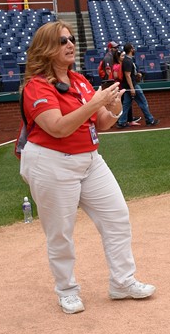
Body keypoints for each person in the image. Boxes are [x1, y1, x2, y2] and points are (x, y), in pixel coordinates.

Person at [18, 21, 155, 314]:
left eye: (72, 39)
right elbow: (56, 127)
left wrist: (114, 107)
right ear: (46, 48)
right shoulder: (36, 87)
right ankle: (67, 290)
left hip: (90, 160)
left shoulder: (79, 80)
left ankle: (122, 281)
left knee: (117, 217)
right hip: (51, 163)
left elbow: (101, 122)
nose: (70, 44)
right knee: (61, 233)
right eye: (62, 40)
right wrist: (95, 105)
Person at [116, 44, 158, 128]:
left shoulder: (128, 60)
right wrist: (132, 88)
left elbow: (129, 74)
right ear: (131, 50)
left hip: (128, 85)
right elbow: (127, 75)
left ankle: (121, 122)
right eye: (133, 48)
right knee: (143, 102)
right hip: (132, 86)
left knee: (126, 105)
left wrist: (136, 75)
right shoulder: (127, 61)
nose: (134, 49)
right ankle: (150, 120)